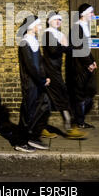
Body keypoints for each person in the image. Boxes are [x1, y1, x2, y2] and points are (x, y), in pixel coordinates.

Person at [42, 11, 87, 139]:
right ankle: (69, 129)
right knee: (62, 98)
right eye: (56, 19)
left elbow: (69, 49)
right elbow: (53, 50)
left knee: (46, 101)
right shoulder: (47, 34)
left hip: (55, 71)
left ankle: (41, 127)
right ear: (49, 21)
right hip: (49, 72)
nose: (58, 22)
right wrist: (63, 44)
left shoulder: (58, 34)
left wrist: (64, 44)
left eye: (60, 20)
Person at [15, 15, 51, 152]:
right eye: (38, 25)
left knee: (45, 105)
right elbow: (31, 67)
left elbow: (40, 63)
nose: (40, 27)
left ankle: (33, 136)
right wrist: (42, 80)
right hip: (30, 84)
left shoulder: (34, 40)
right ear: (32, 26)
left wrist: (45, 77)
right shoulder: (25, 42)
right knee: (28, 112)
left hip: (39, 82)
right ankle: (21, 141)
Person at [66, 3, 98, 129]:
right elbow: (78, 48)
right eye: (91, 13)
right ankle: (79, 122)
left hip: (84, 66)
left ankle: (79, 120)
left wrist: (93, 60)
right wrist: (88, 63)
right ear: (84, 14)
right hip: (78, 68)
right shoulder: (76, 28)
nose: (93, 15)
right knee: (80, 94)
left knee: (88, 92)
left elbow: (86, 48)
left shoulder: (83, 27)